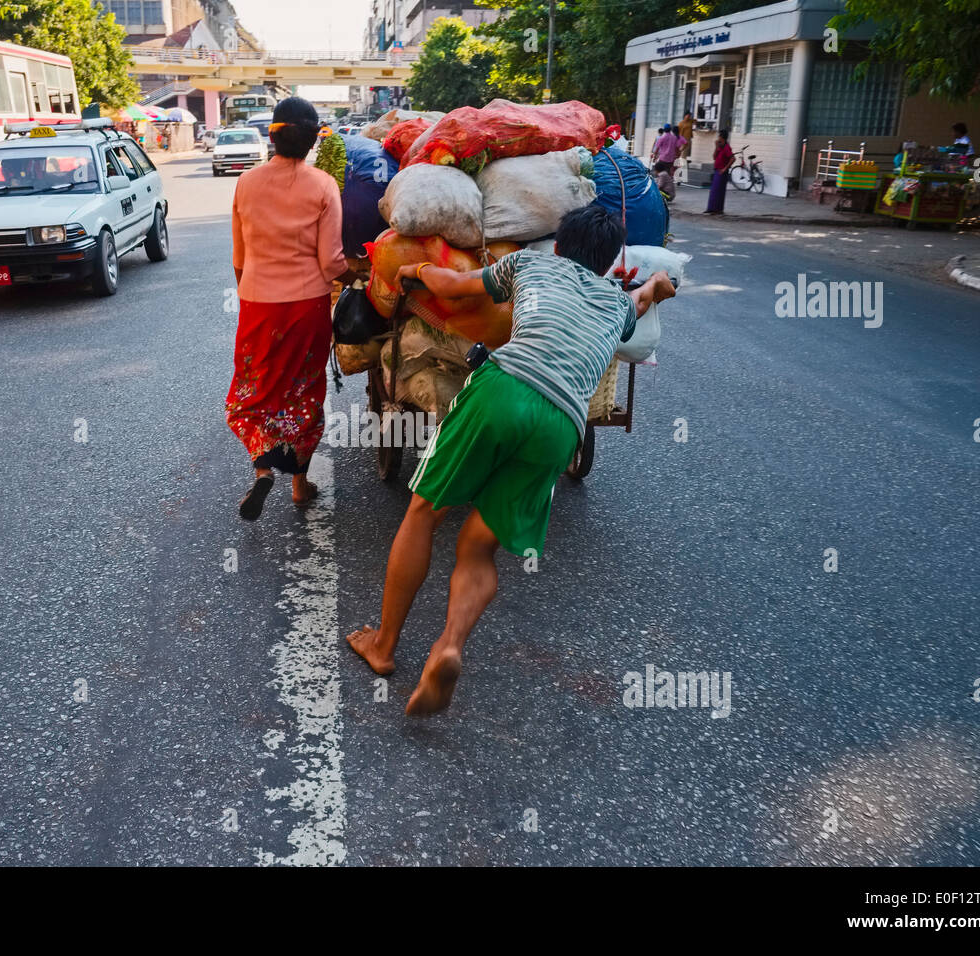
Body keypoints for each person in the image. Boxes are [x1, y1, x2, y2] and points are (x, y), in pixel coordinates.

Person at [345, 205, 677, 715]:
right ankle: (449, 646)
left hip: (503, 388)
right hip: (562, 423)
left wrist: (411, 271)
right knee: (479, 549)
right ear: (608, 263)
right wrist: (658, 284)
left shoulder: (530, 265)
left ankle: (383, 645)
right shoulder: (616, 304)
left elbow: (453, 286)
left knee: (423, 513)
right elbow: (647, 294)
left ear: (560, 246)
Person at [227, 96, 358, 519]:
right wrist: (357, 275)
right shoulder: (322, 185)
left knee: (257, 389)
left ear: (273, 134)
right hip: (307, 307)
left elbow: (239, 259)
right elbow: (330, 261)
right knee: (303, 391)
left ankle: (263, 467)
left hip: (258, 304)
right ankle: (300, 484)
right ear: (313, 140)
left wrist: (252, 292)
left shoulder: (246, 182)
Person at [706, 128, 733, 214]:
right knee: (714, 191)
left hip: (722, 172)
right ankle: (711, 208)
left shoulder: (727, 148)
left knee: (719, 191)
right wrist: (716, 147)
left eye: (719, 136)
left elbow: (733, 158)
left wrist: (725, 168)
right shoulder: (720, 147)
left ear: (722, 137)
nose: (718, 138)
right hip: (717, 170)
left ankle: (718, 209)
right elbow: (714, 157)